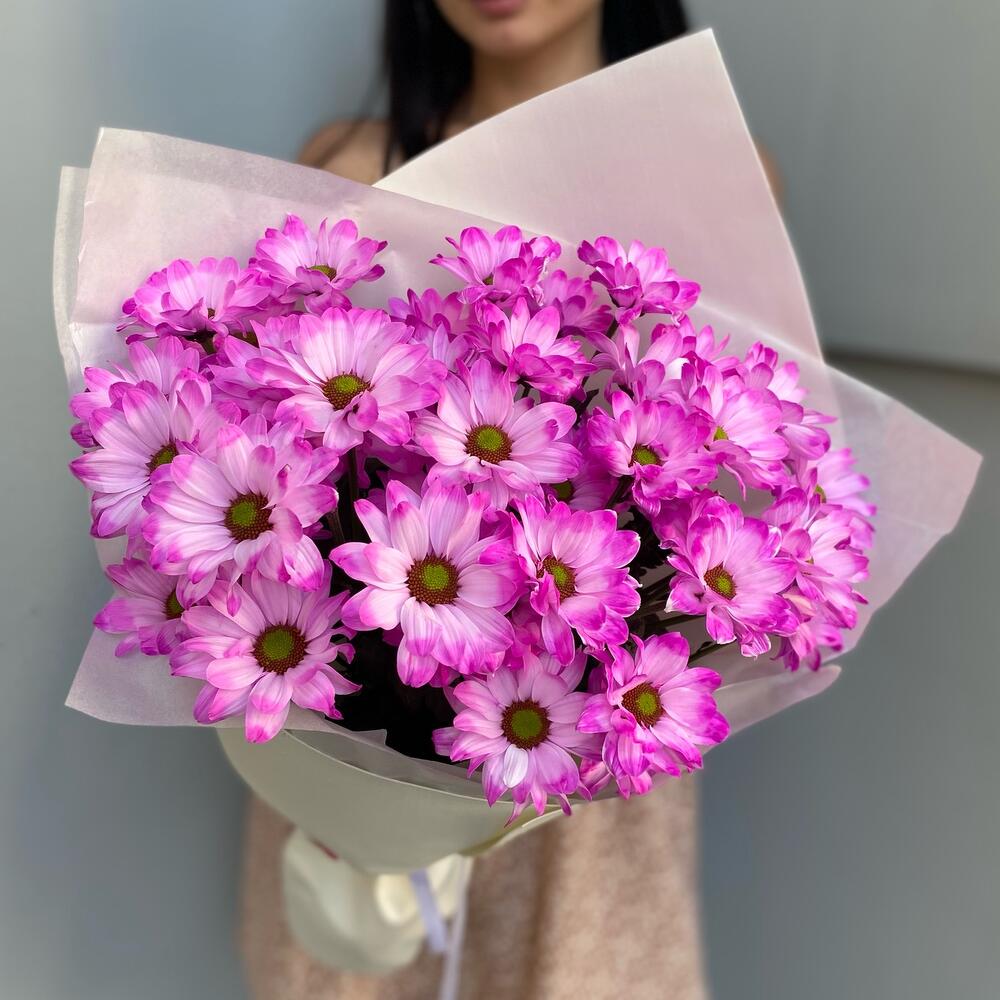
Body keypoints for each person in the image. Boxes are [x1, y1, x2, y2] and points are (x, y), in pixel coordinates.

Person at [239, 4, 714, 998]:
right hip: (353, 755)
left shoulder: (710, 172)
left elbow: (716, 480)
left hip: (591, 771)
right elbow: (257, 425)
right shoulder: (350, 162)